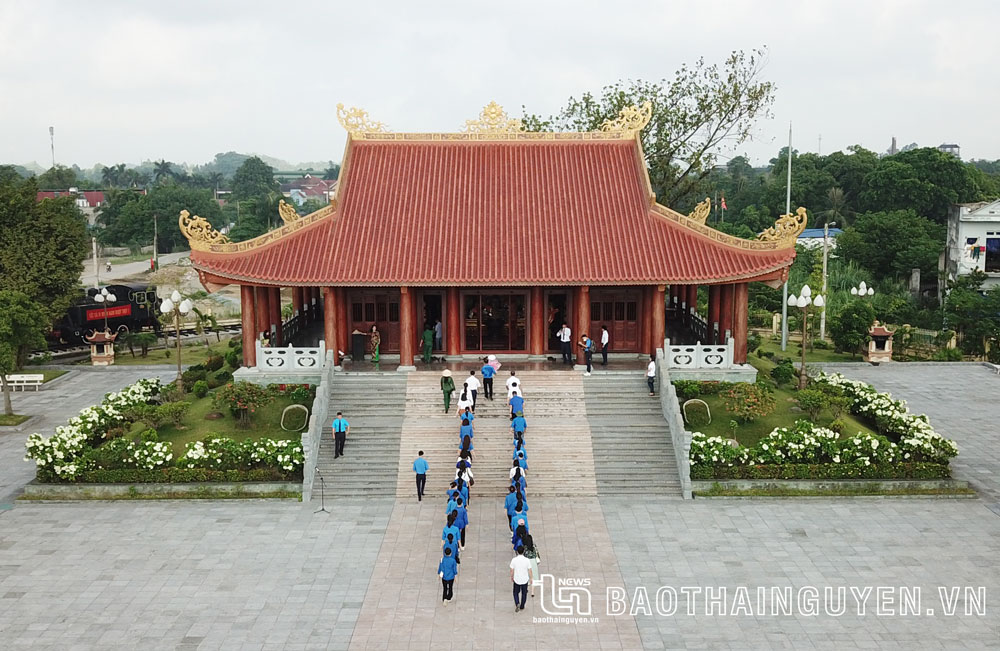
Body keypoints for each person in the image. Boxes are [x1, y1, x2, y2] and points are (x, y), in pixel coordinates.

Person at [510, 545, 533, 612]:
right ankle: (522, 605)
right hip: (524, 579)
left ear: (517, 551)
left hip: (517, 579)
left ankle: (517, 603)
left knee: (515, 592)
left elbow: (511, 570)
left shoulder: (514, 560)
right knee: (524, 593)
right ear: (523, 551)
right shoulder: (527, 560)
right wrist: (531, 578)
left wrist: (512, 576)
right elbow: (530, 570)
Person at [522, 533, 541, 598]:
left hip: (527, 562)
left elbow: (523, 555)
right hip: (533, 562)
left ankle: (527, 589)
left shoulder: (524, 547)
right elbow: (537, 553)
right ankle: (532, 592)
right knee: (533, 577)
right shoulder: (534, 546)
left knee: (527, 576)